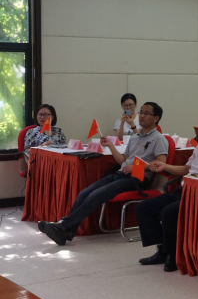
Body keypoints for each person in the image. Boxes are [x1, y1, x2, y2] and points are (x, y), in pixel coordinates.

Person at [40, 102, 168, 246]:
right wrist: (111, 146)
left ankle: (63, 226)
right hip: (121, 174)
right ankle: (66, 233)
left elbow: (160, 164)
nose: (142, 116)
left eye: (146, 113)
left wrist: (135, 167)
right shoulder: (135, 137)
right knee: (84, 193)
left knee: (96, 195)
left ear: (156, 118)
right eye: (141, 112)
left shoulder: (159, 139)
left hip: (137, 179)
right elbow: (123, 160)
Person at [136, 110, 198, 272]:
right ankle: (162, 250)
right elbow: (186, 169)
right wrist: (165, 166)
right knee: (143, 207)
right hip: (184, 190)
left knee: (168, 213)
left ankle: (173, 256)